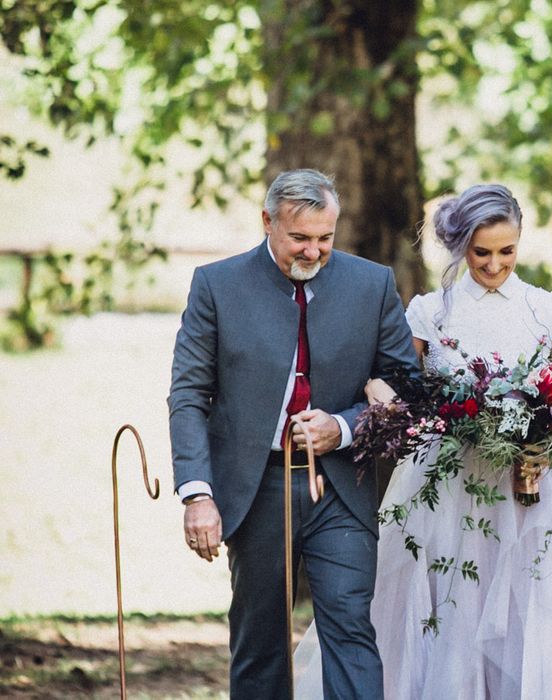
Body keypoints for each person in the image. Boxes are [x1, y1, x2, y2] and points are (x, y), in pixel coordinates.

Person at [364, 184, 552, 698]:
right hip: (449, 486)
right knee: (452, 603)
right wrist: (386, 398)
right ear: (460, 247)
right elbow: (404, 389)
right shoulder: (431, 313)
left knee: (538, 607)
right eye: (482, 253)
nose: (495, 264)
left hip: (532, 488)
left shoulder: (549, 309)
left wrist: (544, 442)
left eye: (507, 251)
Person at [168, 168, 420, 700]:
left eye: (325, 239)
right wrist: (198, 493)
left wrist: (346, 427)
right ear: (267, 222)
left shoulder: (372, 284)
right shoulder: (216, 285)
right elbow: (189, 394)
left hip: (344, 492)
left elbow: (406, 386)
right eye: (299, 239)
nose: (313, 252)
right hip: (256, 486)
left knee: (351, 630)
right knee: (260, 643)